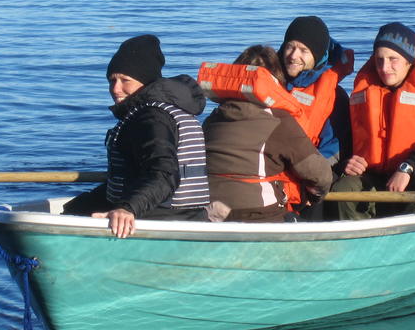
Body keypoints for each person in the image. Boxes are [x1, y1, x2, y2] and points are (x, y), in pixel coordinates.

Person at [62, 34, 209, 237]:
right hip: (184, 213)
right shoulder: (157, 111)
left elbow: (164, 174)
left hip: (166, 218)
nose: (116, 89)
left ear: (145, 82)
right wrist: (76, 208)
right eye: (112, 80)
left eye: (125, 80)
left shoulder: (152, 118)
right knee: (74, 210)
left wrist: (127, 208)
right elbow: (130, 178)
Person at [331, 23, 415, 220]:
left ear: (409, 61)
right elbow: (349, 143)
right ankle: (359, 236)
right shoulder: (363, 98)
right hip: (379, 179)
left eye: (393, 59)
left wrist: (408, 167)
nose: (384, 68)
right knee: (345, 188)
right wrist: (346, 164)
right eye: (379, 60)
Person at [199, 45, 333, 222]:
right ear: (275, 81)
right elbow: (319, 174)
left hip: (210, 210)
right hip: (257, 213)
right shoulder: (278, 120)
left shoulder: (213, 119)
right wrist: (316, 195)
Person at [278, 15, 354, 181]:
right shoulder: (268, 81)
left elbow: (332, 149)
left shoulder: (335, 98)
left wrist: (304, 173)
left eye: (304, 50)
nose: (293, 55)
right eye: (290, 47)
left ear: (318, 55)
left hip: (306, 175)